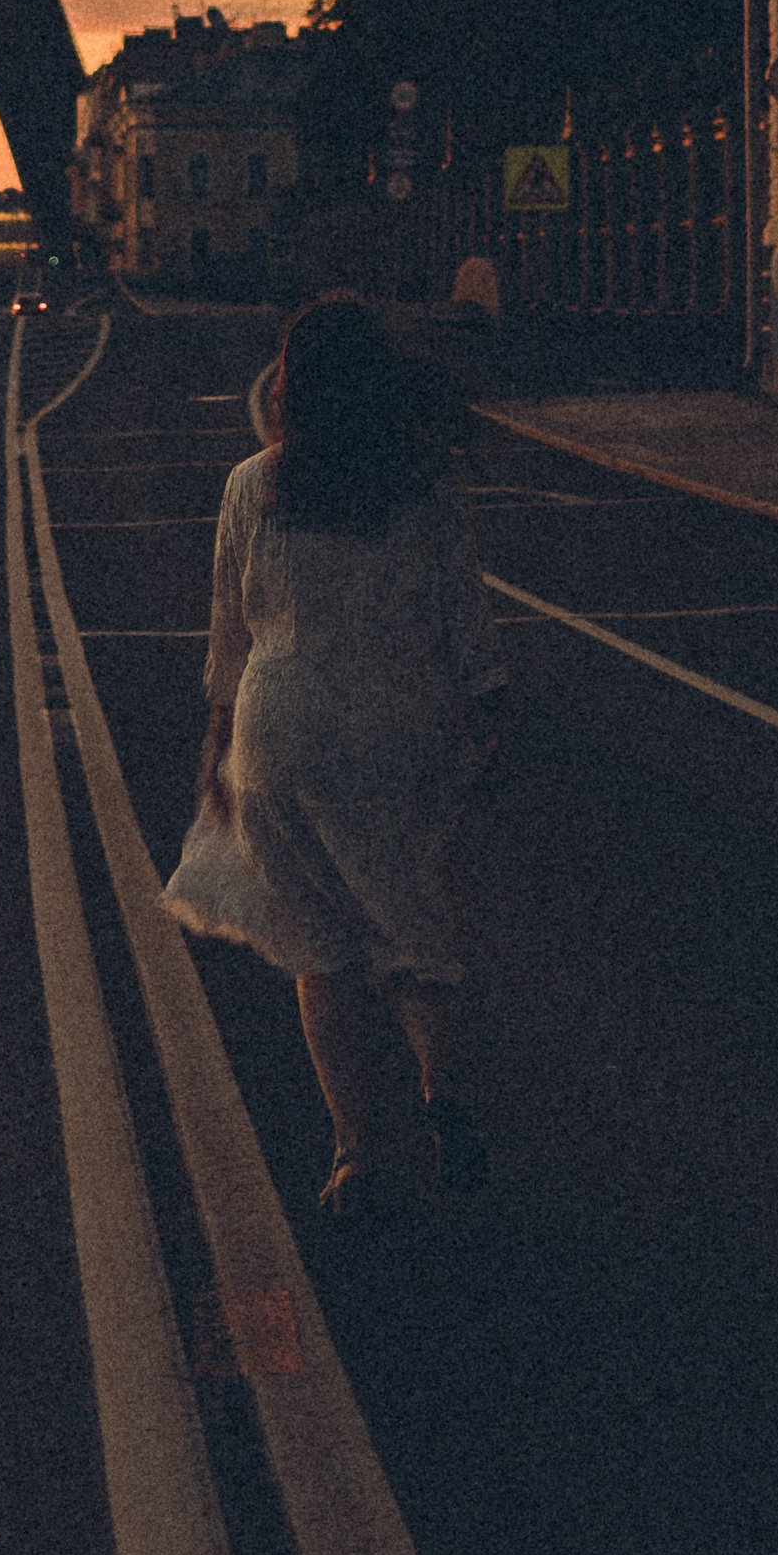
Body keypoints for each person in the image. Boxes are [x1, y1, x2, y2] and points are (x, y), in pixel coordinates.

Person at [185, 295, 511, 1222]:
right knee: (408, 917)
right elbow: (462, 612)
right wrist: (490, 701)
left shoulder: (252, 486)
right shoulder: (423, 489)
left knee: (318, 948)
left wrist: (216, 745)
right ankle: (439, 1083)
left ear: (291, 386)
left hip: (279, 731)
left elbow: (230, 629)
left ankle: (354, 1152)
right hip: (396, 725)